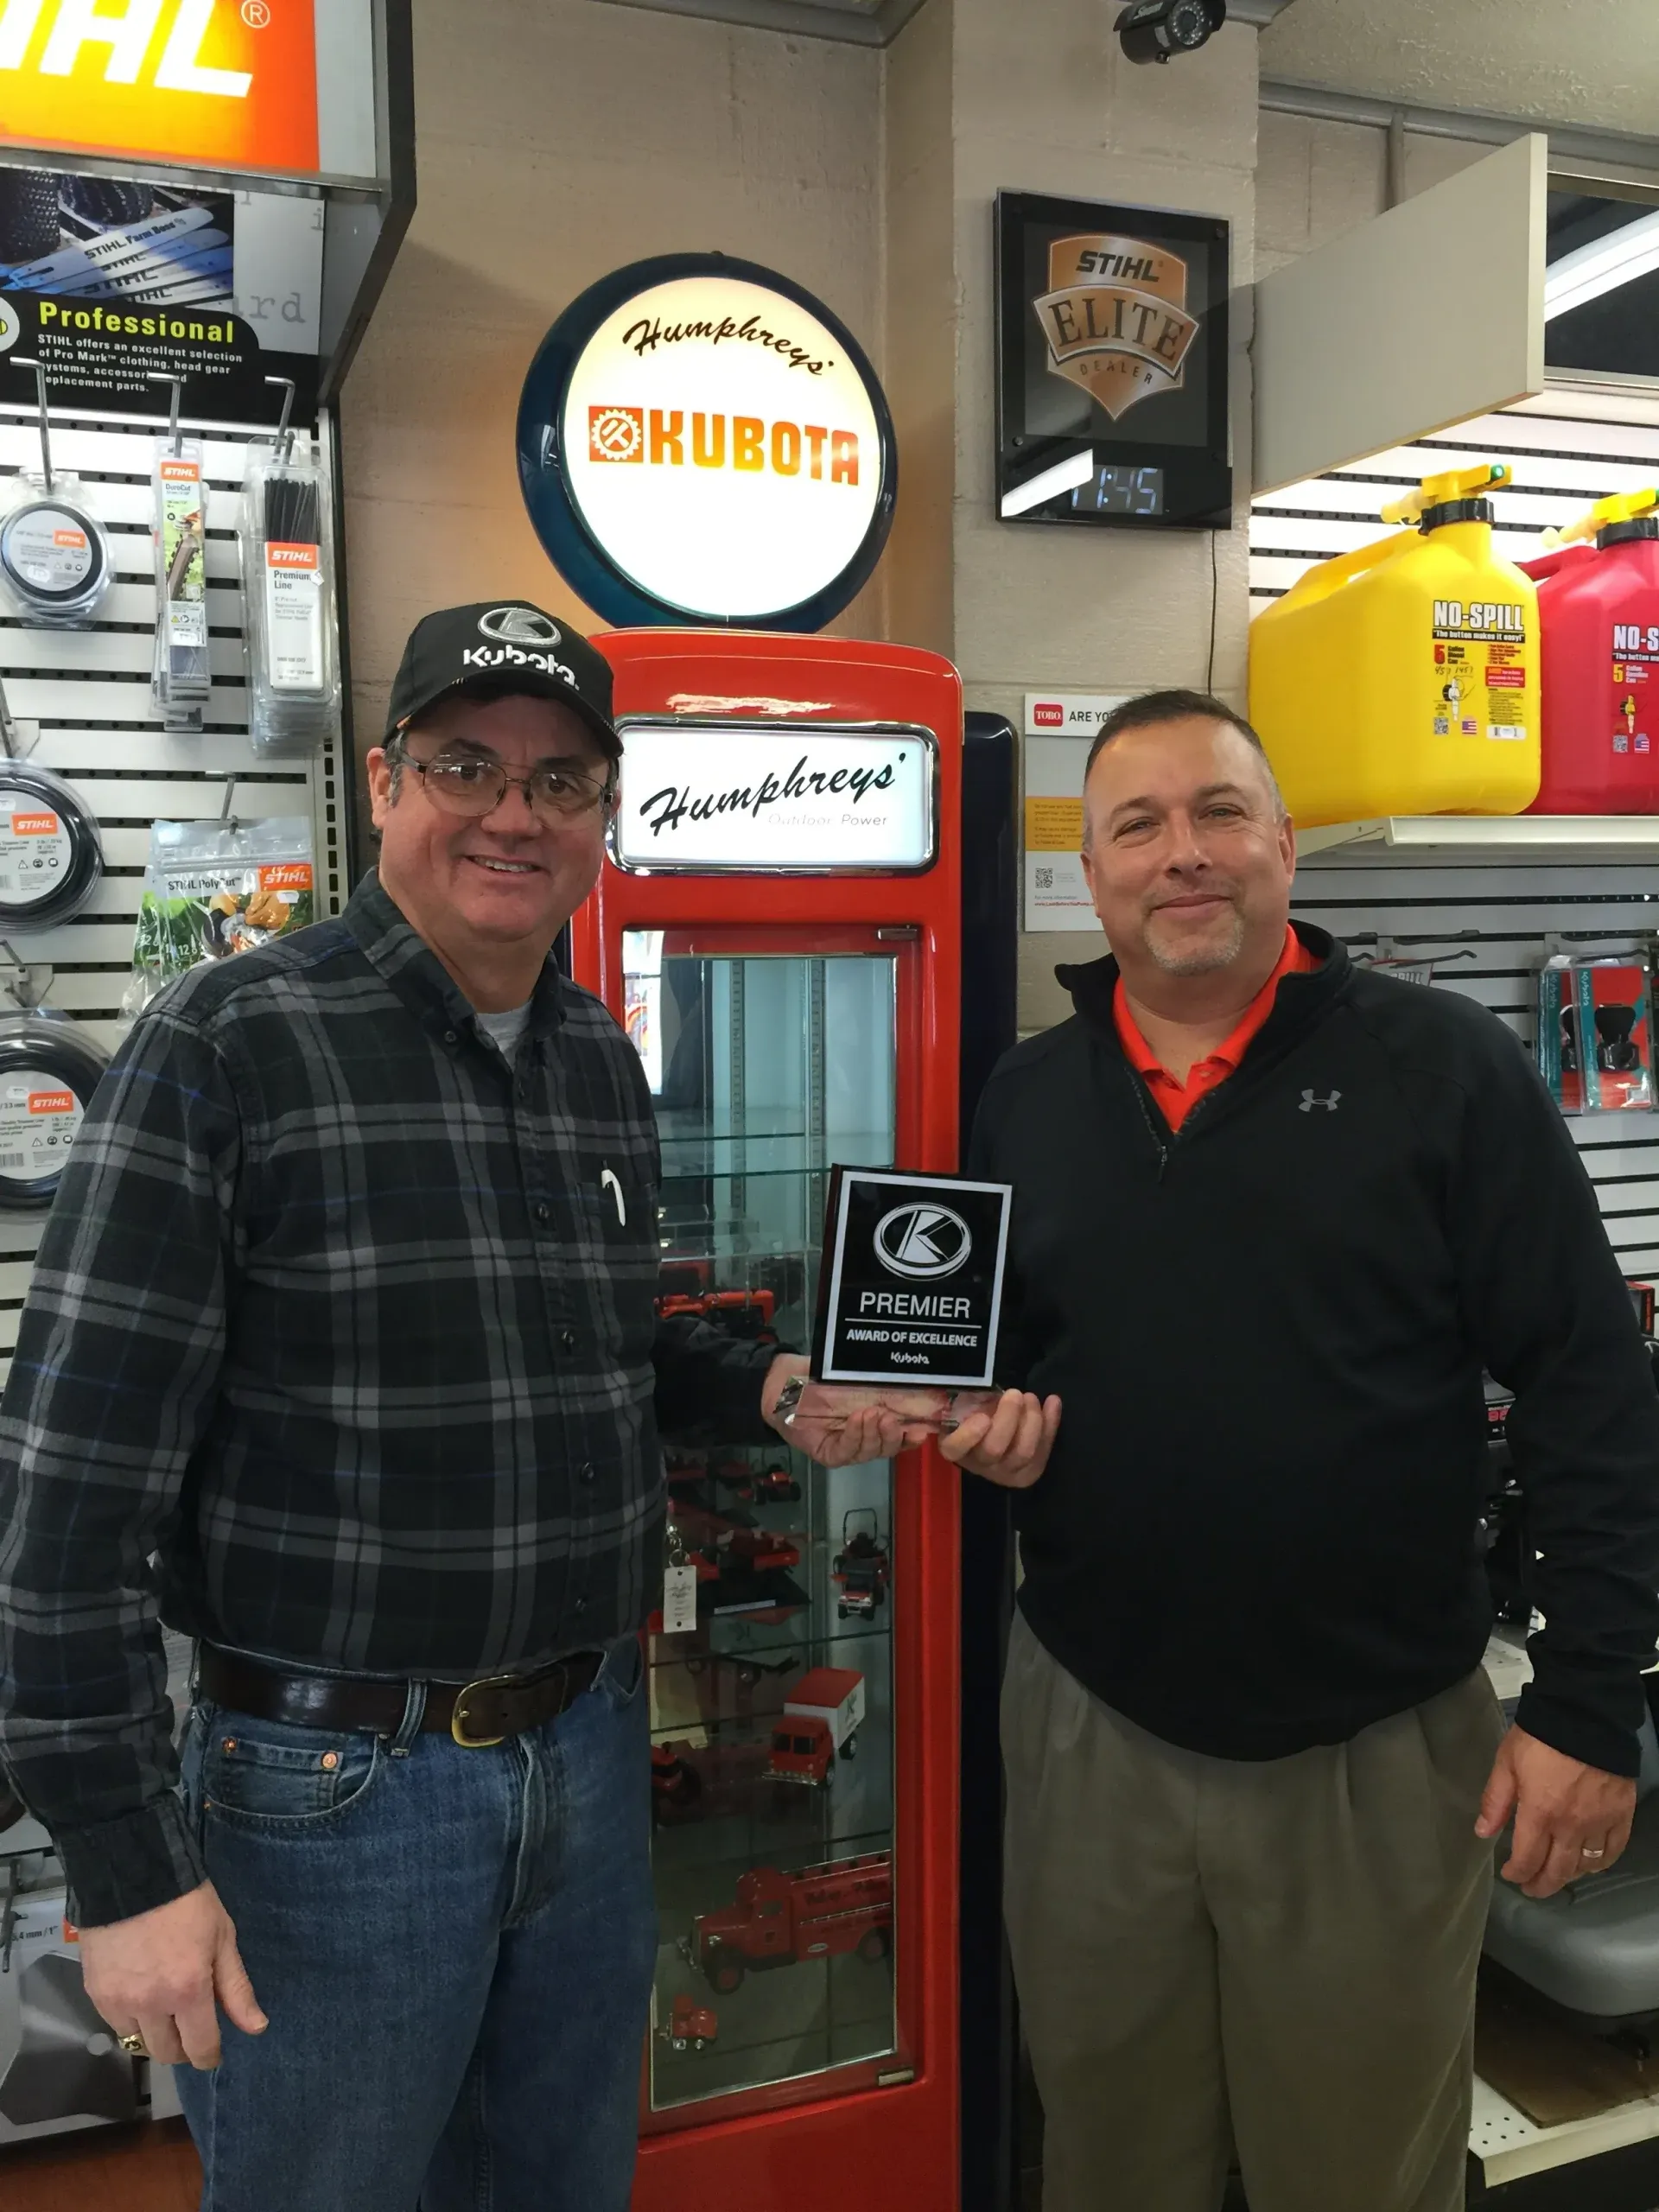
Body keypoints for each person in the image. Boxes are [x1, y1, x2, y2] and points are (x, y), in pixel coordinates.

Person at [0, 601, 930, 2212]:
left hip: (588, 1751)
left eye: (562, 779)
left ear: (604, 811)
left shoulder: (590, 1057)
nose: (515, 813)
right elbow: (63, 1499)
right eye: (466, 766)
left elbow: (592, 1347)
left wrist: (765, 1383)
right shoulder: (229, 1043)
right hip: (330, 1798)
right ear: (383, 784)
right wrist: (122, 1866)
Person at [944, 688, 1659, 2212]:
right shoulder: (1022, 1097)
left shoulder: (1448, 1070)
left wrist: (1592, 1709)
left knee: (1358, 2175)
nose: (1182, 853)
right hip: (1090, 1727)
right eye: (1138, 823)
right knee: (1110, 2159)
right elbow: (988, 1368)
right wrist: (978, 1430)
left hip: (1379, 1747)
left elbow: (1591, 1384)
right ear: (1092, 868)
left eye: (1219, 814)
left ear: (1284, 844)